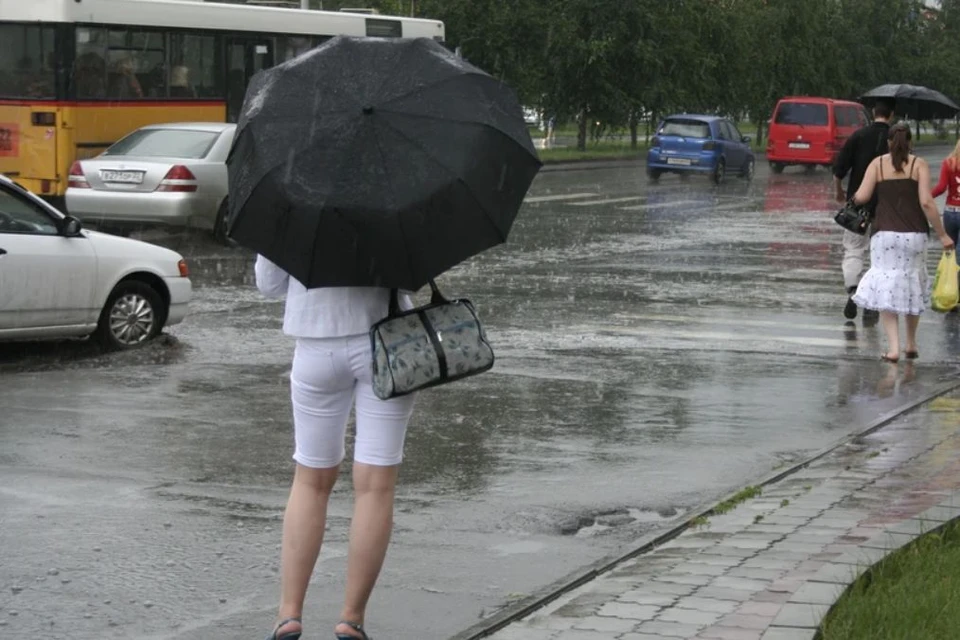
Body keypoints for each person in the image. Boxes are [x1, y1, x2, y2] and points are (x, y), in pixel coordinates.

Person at [255, 255, 417, 640]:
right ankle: (351, 620)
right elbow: (413, 279)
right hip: (386, 343)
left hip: (314, 344)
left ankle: (288, 615)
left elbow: (269, 284)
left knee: (310, 480)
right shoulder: (391, 194)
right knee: (375, 485)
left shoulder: (290, 197)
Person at [850, 123, 954, 362]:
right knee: (911, 285)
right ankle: (911, 344)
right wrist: (942, 234)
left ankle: (894, 348)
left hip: (884, 235)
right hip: (915, 235)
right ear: (911, 142)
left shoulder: (877, 165)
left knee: (887, 288)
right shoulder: (919, 165)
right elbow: (927, 202)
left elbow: (863, 196)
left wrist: (849, 199)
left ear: (888, 142)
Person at [833, 99, 894, 322]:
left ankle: (852, 291)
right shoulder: (896, 140)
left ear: (872, 112)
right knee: (880, 257)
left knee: (853, 250)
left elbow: (839, 169)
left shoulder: (858, 136)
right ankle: (873, 302)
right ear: (892, 115)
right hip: (887, 208)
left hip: (858, 206)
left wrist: (839, 192)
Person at [932, 138, 960, 261]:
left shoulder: (948, 163)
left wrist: (926, 196)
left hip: (950, 212)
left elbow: (941, 187)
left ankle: (949, 275)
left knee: (950, 247)